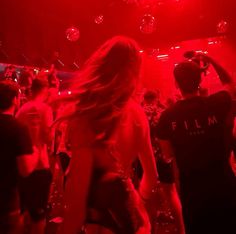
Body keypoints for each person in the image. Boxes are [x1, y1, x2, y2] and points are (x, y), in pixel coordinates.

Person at [58, 36, 158, 234]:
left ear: (100, 64)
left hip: (99, 223)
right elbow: (152, 174)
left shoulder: (88, 115)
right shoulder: (137, 113)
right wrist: (138, 203)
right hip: (130, 217)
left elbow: (76, 209)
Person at [155, 54, 236, 234]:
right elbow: (231, 85)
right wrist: (212, 60)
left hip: (193, 192)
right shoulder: (217, 103)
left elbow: (168, 156)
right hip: (224, 185)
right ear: (200, 79)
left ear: (176, 84)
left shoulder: (167, 118)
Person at [0, 81, 39, 234]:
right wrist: (35, 149)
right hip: (6, 203)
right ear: (15, 100)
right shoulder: (18, 128)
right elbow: (26, 169)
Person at [16, 77, 53, 234]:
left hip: (24, 165)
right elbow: (48, 138)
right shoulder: (46, 109)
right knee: (39, 213)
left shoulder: (21, 110)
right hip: (40, 164)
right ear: (45, 90)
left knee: (23, 209)